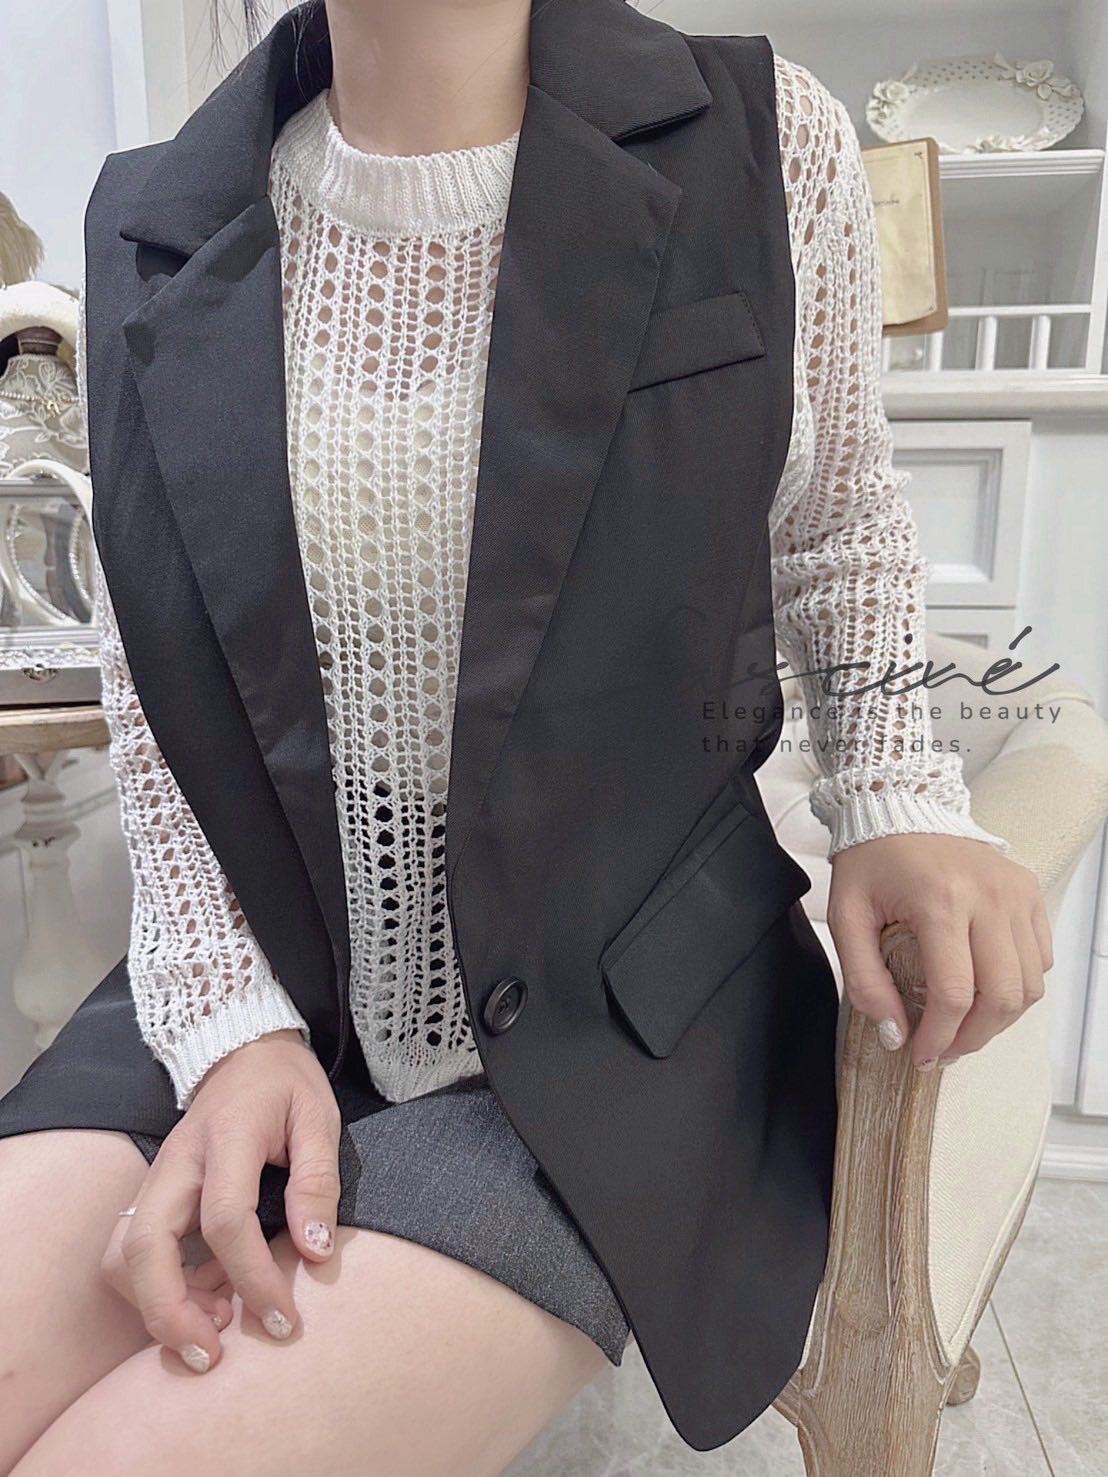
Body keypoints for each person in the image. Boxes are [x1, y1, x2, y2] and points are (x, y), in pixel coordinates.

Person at [0, 1, 1052, 1471]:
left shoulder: (763, 143)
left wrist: (898, 790)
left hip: (617, 1011)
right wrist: (232, 1026)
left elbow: (834, 526)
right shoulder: (151, 217)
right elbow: (149, 669)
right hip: (268, 960)